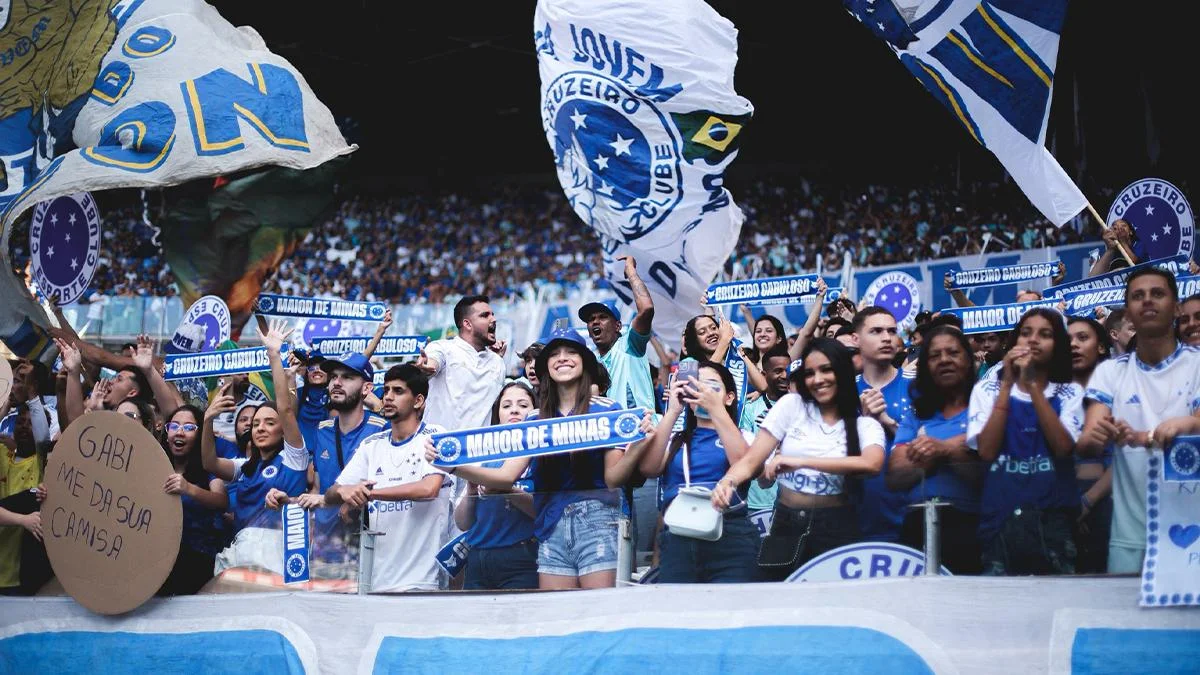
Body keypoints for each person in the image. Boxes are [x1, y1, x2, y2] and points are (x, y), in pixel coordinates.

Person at [428, 328, 654, 590]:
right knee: (555, 618)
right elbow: (505, 477)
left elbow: (613, 478)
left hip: (598, 521)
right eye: (554, 354)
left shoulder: (607, 410)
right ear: (546, 367)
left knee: (597, 613)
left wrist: (637, 445)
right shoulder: (533, 420)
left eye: (571, 351)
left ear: (585, 361)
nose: (563, 358)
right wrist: (453, 466)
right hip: (550, 525)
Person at [712, 338, 886, 580]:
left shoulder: (864, 425)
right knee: (779, 604)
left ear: (843, 372)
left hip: (838, 526)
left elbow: (872, 463)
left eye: (826, 370)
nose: (818, 379)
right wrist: (729, 481)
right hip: (787, 524)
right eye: (810, 372)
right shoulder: (791, 406)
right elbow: (752, 460)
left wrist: (801, 461)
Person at [1078, 269, 1200, 573]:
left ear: (1176, 307)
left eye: (1157, 293)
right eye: (1137, 296)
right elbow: (1090, 437)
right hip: (1130, 536)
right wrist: (1102, 433)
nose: (1147, 301)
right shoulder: (1110, 372)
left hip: (1193, 532)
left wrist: (1176, 427)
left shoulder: (1198, 364)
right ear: (1128, 311)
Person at [968, 308, 1084, 575]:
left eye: (1045, 335)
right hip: (1000, 520)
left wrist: (1032, 386)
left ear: (1058, 346)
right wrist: (1008, 385)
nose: (1032, 340)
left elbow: (1063, 447)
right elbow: (985, 451)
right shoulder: (987, 390)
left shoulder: (1070, 392)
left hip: (1053, 521)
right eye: (1026, 333)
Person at [324, 365, 452, 592]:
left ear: (418, 401)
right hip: (375, 581)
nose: (389, 397)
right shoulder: (372, 445)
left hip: (422, 582)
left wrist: (368, 494)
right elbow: (333, 492)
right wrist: (345, 492)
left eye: (398, 391)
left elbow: (428, 489)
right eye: (387, 390)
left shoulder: (435, 436)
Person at [638, 361, 755, 583]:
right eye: (695, 386)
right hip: (680, 533)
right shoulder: (676, 441)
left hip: (729, 532)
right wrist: (673, 410)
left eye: (710, 386)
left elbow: (743, 463)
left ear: (729, 397)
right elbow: (649, 469)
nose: (701, 391)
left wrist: (716, 410)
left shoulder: (745, 436)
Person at [887, 325, 983, 574]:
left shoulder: (987, 407)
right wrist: (960, 445)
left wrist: (941, 448)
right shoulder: (917, 414)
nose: (944, 361)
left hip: (973, 526)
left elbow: (985, 472)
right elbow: (896, 474)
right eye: (934, 355)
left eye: (953, 353)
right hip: (917, 525)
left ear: (969, 359)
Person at [200, 321, 309, 532]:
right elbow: (209, 463)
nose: (260, 428)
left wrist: (274, 355)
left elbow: (285, 409)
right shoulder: (246, 467)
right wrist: (208, 420)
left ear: (283, 430)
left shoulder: (294, 458)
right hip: (241, 552)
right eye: (256, 423)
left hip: (278, 553)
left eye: (270, 423)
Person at [454, 382, 538, 590]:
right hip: (478, 556)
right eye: (507, 405)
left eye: (523, 405)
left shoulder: (541, 452)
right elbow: (463, 523)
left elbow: (542, 510)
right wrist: (472, 491)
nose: (515, 410)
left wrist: (506, 489)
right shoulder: (482, 452)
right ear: (497, 412)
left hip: (521, 557)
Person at [852, 307, 913, 543]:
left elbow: (929, 449)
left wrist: (886, 422)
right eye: (876, 331)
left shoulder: (917, 386)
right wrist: (865, 424)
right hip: (856, 519)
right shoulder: (841, 391)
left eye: (891, 331)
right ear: (856, 339)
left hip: (911, 517)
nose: (887, 337)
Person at [159, 405, 229, 595]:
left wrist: (189, 489)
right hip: (157, 558)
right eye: (174, 426)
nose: (180, 432)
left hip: (197, 559)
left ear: (199, 436)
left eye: (189, 428)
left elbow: (221, 501)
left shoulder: (208, 469)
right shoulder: (154, 466)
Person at [415, 295, 506, 432]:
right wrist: (426, 369)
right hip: (435, 447)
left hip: (478, 450)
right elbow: (433, 362)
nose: (493, 319)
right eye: (485, 315)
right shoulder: (443, 348)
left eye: (492, 315)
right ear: (467, 324)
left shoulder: (497, 362)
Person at [1066, 317, 1114, 574]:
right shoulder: (1051, 395)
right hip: (1063, 506)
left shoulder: (1120, 389)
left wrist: (1087, 501)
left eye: (1082, 338)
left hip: (1113, 505)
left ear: (1102, 347)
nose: (1073, 345)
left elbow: (1128, 459)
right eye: (1068, 341)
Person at [579, 255, 655, 411]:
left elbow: (647, 309)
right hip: (612, 432)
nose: (595, 322)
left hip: (642, 429)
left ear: (618, 326)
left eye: (602, 317)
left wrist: (631, 273)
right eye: (591, 319)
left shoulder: (629, 345)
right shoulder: (593, 363)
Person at [308, 353, 387, 502]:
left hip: (361, 524)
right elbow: (317, 490)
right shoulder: (322, 430)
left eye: (347, 377)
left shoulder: (381, 430)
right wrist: (289, 501)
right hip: (324, 524)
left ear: (366, 388)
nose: (337, 383)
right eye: (333, 377)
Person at [738, 345, 792, 512]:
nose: (784, 376)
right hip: (756, 502)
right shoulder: (749, 408)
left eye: (787, 370)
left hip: (791, 502)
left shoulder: (801, 405)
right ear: (764, 375)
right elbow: (744, 452)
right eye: (777, 371)